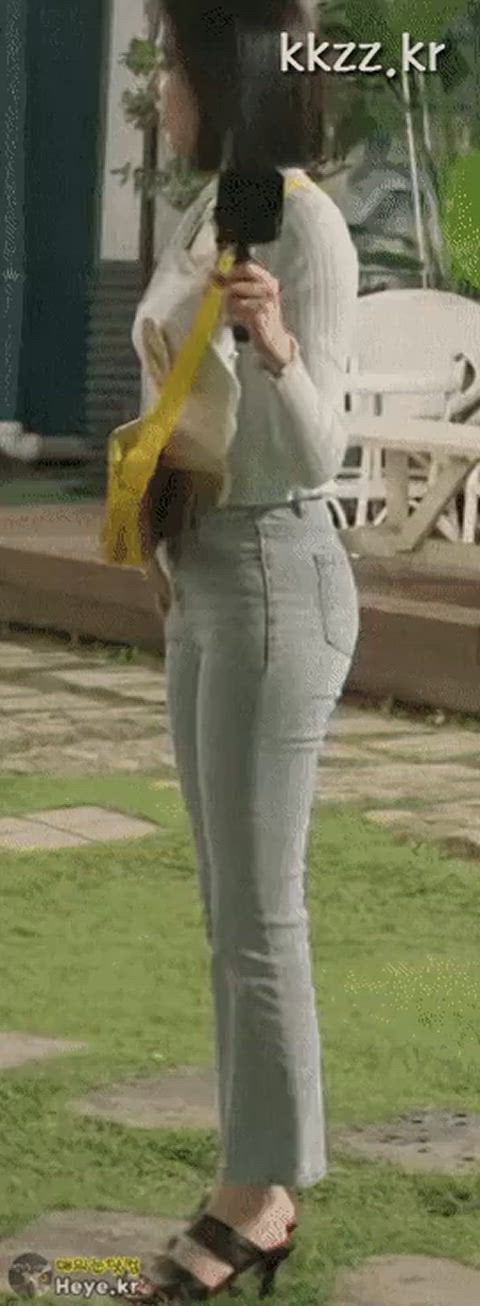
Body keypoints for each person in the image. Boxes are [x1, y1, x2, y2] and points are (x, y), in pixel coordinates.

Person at [131, 1, 360, 1299]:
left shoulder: (305, 226)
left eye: (171, 61)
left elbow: (317, 453)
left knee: (263, 912)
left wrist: (271, 347)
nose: (159, 86)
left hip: (280, 573)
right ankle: (251, 1166)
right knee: (228, 909)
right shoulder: (210, 207)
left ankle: (261, 1197)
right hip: (205, 571)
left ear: (221, 74)